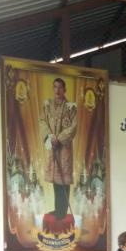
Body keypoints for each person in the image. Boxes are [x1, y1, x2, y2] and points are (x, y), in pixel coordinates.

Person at [39, 77, 77, 222]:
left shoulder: (71, 107)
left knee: (64, 178)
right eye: (55, 87)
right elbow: (42, 121)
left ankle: (63, 210)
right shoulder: (47, 105)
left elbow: (73, 127)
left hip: (64, 147)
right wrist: (50, 136)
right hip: (52, 145)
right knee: (56, 179)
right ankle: (58, 209)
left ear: (64, 89)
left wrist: (59, 138)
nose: (57, 90)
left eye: (60, 87)